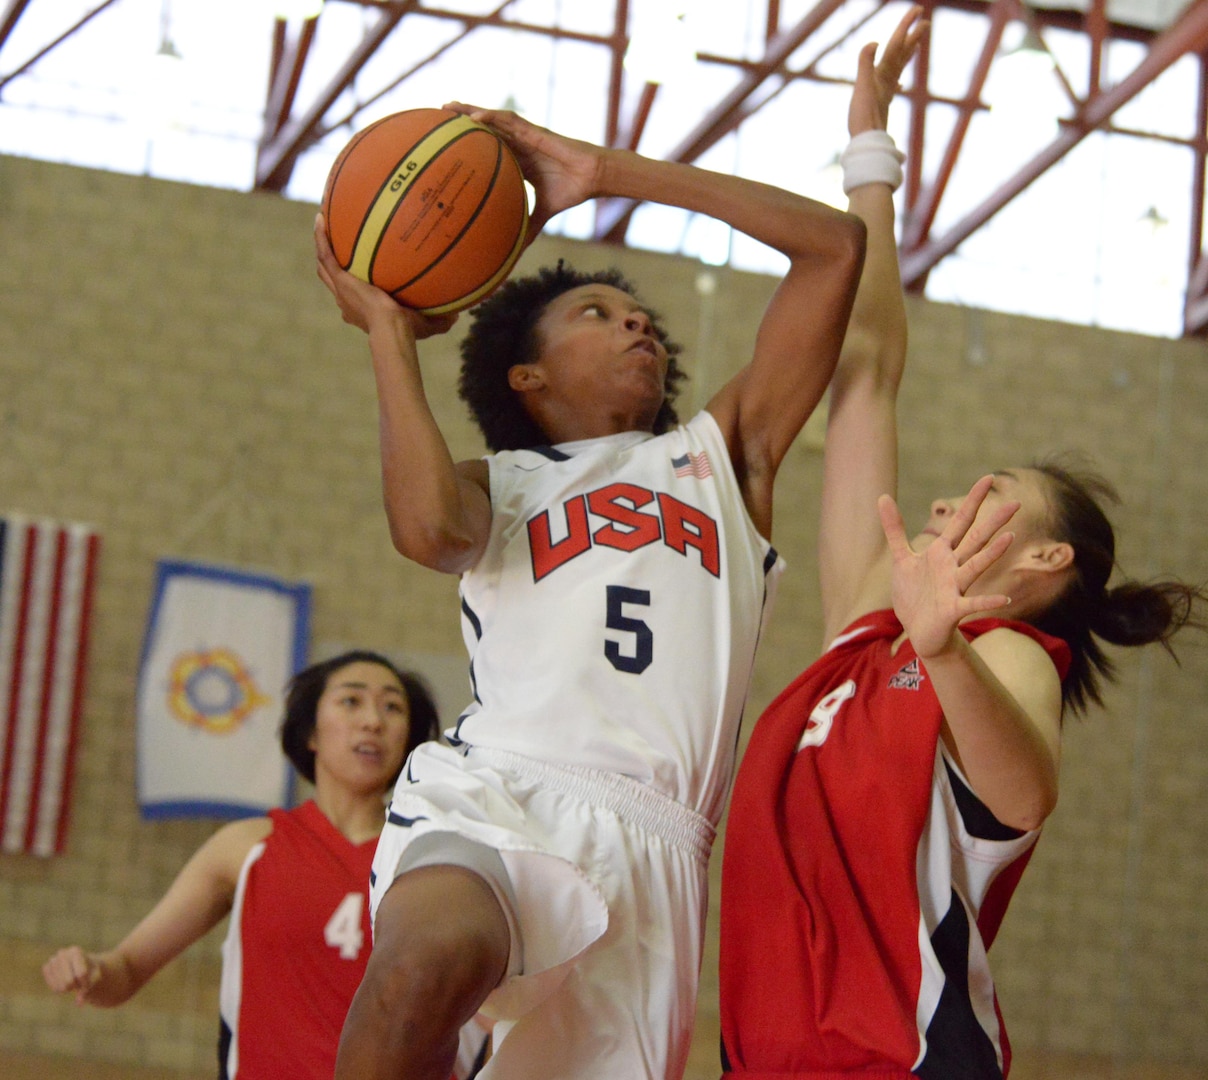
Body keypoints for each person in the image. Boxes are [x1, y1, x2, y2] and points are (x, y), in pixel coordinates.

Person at [313, 98, 866, 1079]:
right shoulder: (504, 485)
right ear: (524, 375)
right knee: (415, 973)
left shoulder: (721, 458)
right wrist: (388, 334)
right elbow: (428, 532)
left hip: (655, 850)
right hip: (497, 791)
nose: (635, 322)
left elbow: (832, 246)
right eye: (596, 314)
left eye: (637, 314)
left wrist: (608, 175)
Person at [718, 8, 1208, 1079]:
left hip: (902, 1059)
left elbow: (1023, 791)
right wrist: (869, 164)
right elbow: (864, 369)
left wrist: (941, 649)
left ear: (1045, 562)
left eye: (990, 496)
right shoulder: (866, 624)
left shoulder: (1005, 656)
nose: (945, 504)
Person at [42, 650, 485, 1080]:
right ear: (310, 732)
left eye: (392, 707)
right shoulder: (246, 848)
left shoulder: (430, 858)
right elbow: (127, 969)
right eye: (351, 700)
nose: (373, 720)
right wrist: (91, 971)